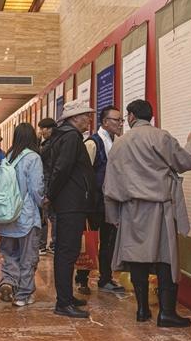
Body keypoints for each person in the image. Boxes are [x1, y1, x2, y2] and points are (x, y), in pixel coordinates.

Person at [104, 99, 191, 328]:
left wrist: (113, 217)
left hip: (130, 210)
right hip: (159, 208)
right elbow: (185, 162)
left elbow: (110, 184)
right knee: (166, 259)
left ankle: (142, 309)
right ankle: (167, 313)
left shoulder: (119, 144)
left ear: (131, 116)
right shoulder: (161, 137)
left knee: (137, 258)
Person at [45, 100, 96, 318]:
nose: (89, 120)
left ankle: (66, 296)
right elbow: (62, 169)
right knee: (67, 252)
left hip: (69, 202)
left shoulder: (63, 135)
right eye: (86, 116)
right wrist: (51, 194)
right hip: (71, 203)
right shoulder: (71, 137)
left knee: (68, 251)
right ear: (75, 118)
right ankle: (63, 302)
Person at [75, 106, 126, 295]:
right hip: (93, 203)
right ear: (105, 122)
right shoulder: (93, 143)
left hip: (111, 201)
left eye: (121, 120)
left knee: (108, 241)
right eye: (117, 120)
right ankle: (82, 279)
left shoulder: (117, 142)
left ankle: (105, 278)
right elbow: (83, 174)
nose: (120, 124)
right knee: (88, 241)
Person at [0, 123, 44, 307]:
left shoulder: (8, 157)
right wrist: (44, 203)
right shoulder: (33, 158)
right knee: (27, 256)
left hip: (6, 215)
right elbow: (36, 189)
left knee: (9, 253)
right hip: (26, 215)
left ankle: (8, 281)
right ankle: (23, 295)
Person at [37, 118, 57, 256]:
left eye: (42, 129)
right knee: (52, 215)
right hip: (52, 181)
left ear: (50, 129)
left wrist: (37, 142)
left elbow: (40, 157)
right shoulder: (56, 142)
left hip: (47, 181)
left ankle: (42, 244)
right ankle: (53, 244)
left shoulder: (49, 144)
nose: (41, 132)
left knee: (45, 214)